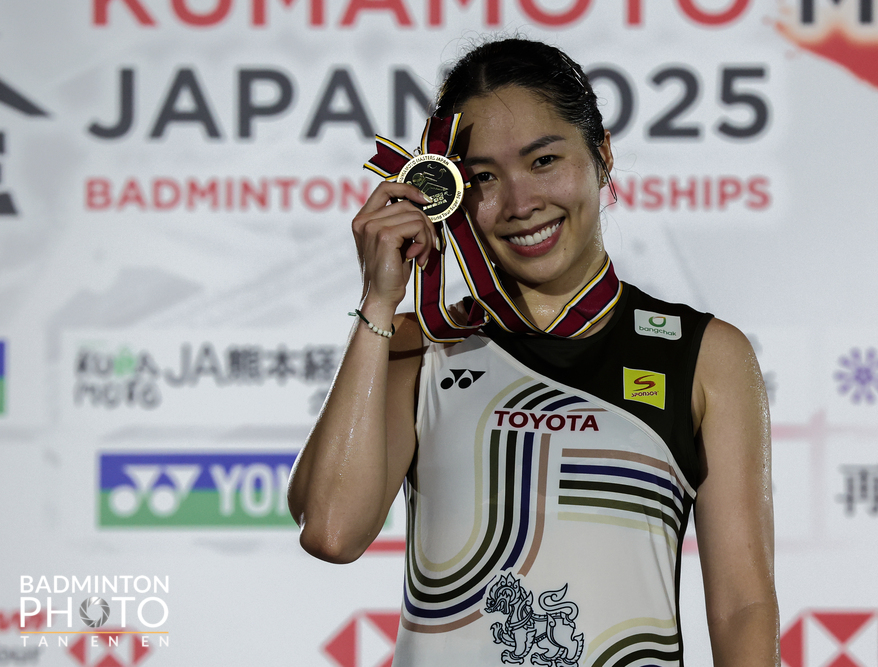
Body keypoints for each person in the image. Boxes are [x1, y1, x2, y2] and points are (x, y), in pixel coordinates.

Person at [287, 37, 779, 667]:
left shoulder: (705, 354)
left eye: (544, 161)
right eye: (484, 178)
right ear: (448, 194)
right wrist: (379, 302)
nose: (521, 204)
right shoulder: (419, 343)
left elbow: (743, 605)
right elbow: (331, 531)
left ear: (602, 155)